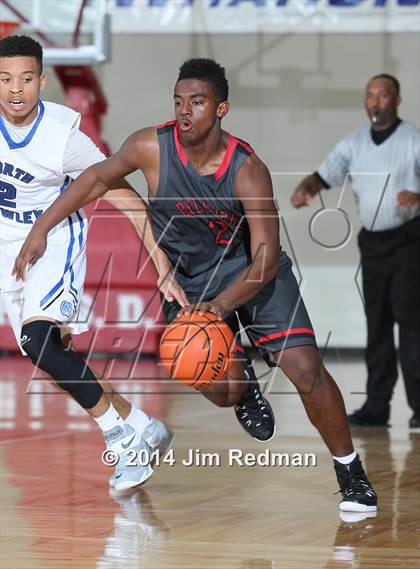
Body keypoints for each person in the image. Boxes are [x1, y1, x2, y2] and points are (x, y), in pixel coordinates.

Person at [13, 57, 377, 512]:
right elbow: (93, 179)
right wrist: (41, 227)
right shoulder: (150, 147)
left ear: (221, 109)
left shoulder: (248, 168)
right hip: (187, 282)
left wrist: (220, 307)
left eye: (198, 103)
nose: (185, 112)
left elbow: (264, 258)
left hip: (251, 273)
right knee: (214, 384)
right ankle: (244, 387)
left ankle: (350, 472)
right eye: (179, 102)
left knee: (305, 369)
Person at [0, 35, 175, 492]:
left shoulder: (64, 141)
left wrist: (161, 266)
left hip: (54, 239)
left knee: (38, 341)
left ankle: (120, 439)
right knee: (55, 362)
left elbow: (129, 202)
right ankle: (141, 424)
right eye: (4, 79)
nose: (15, 89)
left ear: (41, 81)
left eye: (25, 78)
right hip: (7, 250)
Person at [291, 74, 420, 430]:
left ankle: (419, 408)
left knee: (411, 325)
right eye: (370, 96)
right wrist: (307, 188)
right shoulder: (355, 144)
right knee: (377, 326)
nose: (376, 101)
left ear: (396, 100)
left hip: (410, 240)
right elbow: (324, 174)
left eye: (384, 95)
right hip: (374, 244)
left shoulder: (413, 140)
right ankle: (376, 407)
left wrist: (417, 197)